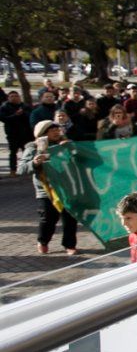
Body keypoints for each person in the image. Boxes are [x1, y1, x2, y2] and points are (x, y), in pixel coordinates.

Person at [19, 120, 78, 255]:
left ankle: (69, 245)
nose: (57, 133)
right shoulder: (33, 148)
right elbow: (21, 169)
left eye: (58, 130)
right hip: (46, 190)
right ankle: (43, 241)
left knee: (70, 218)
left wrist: (72, 149)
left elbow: (80, 161)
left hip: (66, 188)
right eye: (53, 131)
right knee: (48, 219)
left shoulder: (65, 144)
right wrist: (34, 163)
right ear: (43, 133)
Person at [0, 90, 32, 176]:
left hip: (25, 133)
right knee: (13, 152)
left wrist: (23, 113)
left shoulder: (25, 106)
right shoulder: (5, 107)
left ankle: (27, 169)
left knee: (27, 152)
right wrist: (16, 115)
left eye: (16, 96)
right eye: (12, 96)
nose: (14, 98)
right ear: (8, 98)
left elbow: (30, 116)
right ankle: (13, 170)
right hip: (12, 134)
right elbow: (4, 119)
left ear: (19, 97)